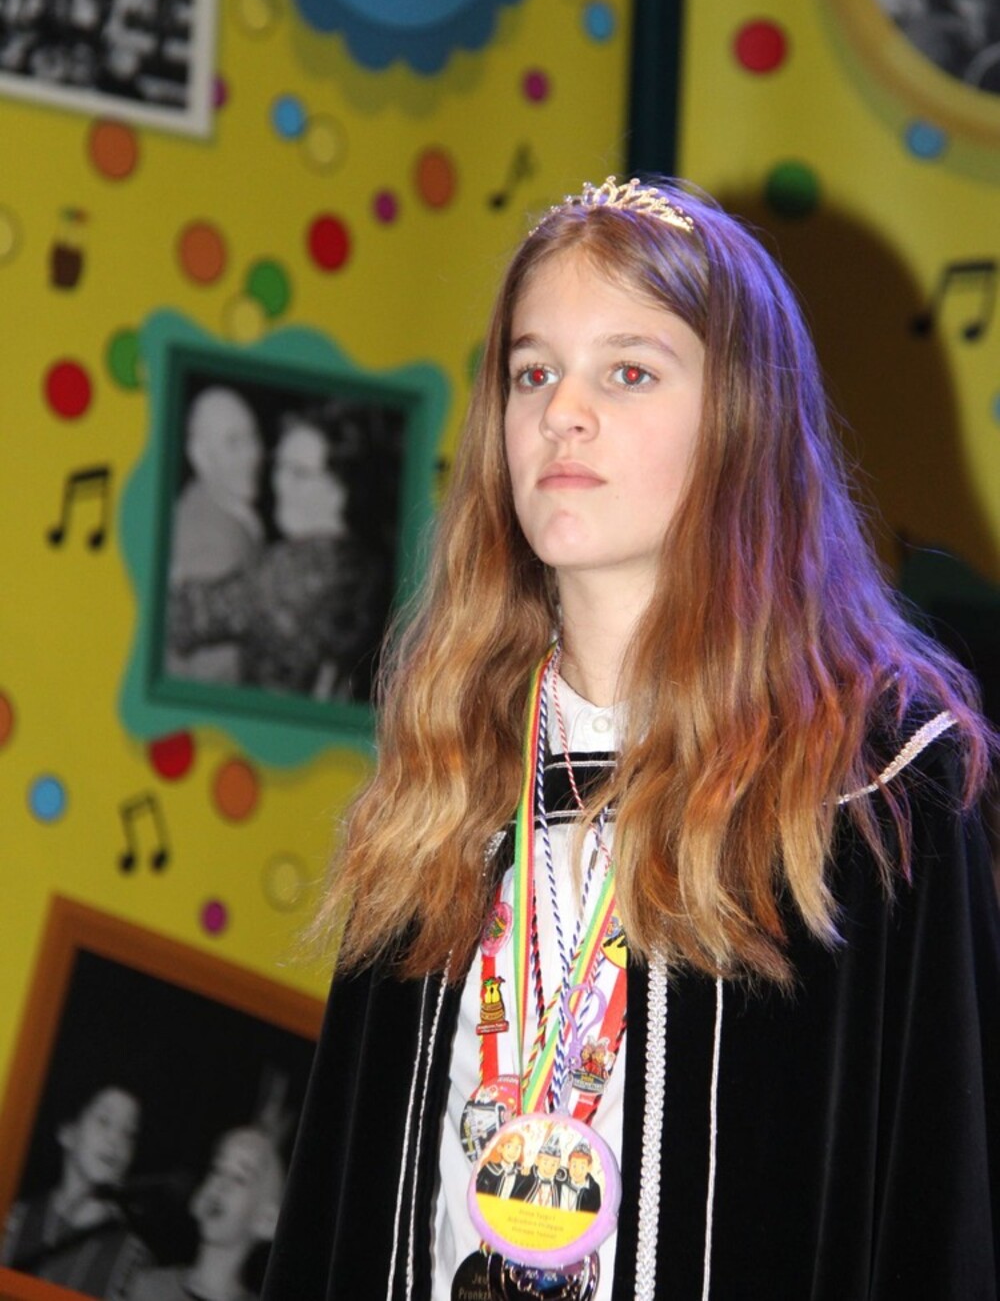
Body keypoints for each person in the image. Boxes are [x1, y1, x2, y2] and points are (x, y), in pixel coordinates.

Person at [261, 177, 1000, 1300]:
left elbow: (939, 1215)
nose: (562, 410)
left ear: (741, 423)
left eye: (629, 371)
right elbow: (343, 1204)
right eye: (532, 372)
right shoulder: (450, 766)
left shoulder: (872, 782)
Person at [168, 402, 380, 700]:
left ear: (338, 489)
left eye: (299, 473)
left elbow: (180, 618)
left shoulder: (292, 572)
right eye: (280, 465)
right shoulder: (360, 563)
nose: (280, 482)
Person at [1, 1084, 150, 1301]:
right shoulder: (14, 1222)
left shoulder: (132, 1260)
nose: (116, 1140)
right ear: (68, 1132)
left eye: (128, 1133)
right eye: (104, 1121)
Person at [166, 387, 264, 685]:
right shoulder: (207, 536)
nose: (252, 454)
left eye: (253, 437)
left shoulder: (223, 509)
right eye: (233, 442)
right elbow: (217, 672)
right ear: (200, 455)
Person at [128, 1127, 284, 1301]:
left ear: (266, 1221)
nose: (220, 1184)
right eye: (217, 1170)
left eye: (240, 1178)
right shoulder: (145, 1287)